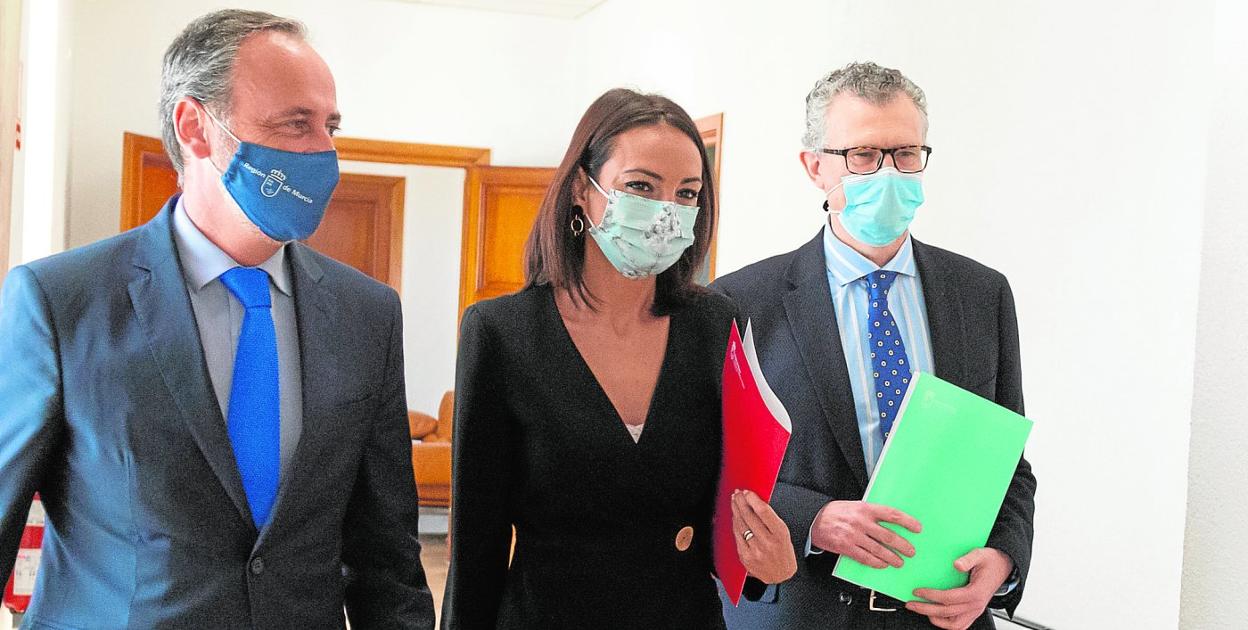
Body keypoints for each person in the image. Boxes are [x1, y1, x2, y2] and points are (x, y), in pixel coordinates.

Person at [0, 10, 435, 629]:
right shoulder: (61, 301)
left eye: (330, 126)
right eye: (295, 125)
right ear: (195, 127)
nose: (325, 152)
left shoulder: (367, 316)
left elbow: (387, 559)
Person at [442, 88, 797, 629]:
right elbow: (477, 546)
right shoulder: (502, 332)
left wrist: (765, 562)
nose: (665, 212)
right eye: (640, 186)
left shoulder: (713, 324)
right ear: (583, 190)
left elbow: (730, 502)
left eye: (686, 193)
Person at [713, 62, 1036, 630]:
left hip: (942, 613)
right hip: (799, 611)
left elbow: (1007, 463)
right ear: (815, 167)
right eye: (862, 156)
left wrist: (1002, 563)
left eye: (906, 154)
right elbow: (712, 467)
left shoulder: (982, 295)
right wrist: (813, 519)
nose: (888, 173)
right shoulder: (739, 303)